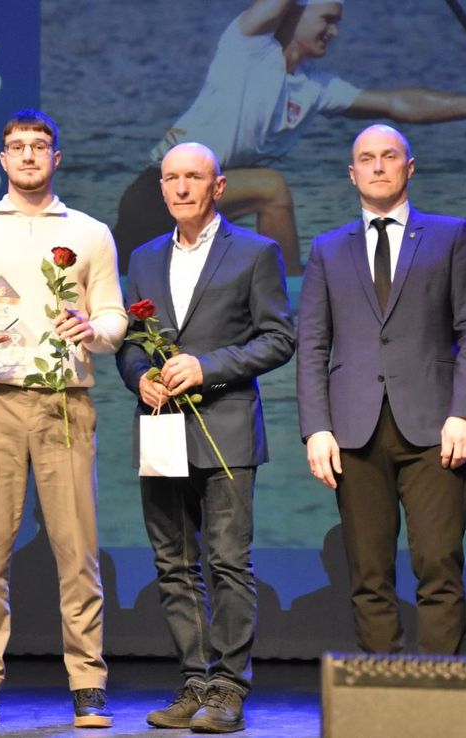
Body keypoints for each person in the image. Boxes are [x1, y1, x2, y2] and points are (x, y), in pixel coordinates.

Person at [0, 109, 127, 729]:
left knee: (78, 550)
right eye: (18, 147)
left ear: (56, 158)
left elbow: (115, 319)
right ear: (3, 160)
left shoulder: (90, 233)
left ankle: (88, 683)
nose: (29, 155)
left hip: (65, 403)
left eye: (40, 146)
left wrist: (94, 329)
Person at [113, 0, 466, 275]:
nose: (334, 31)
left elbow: (398, 104)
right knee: (271, 188)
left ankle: (278, 282)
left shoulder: (316, 87)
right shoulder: (248, 43)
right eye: (327, 19)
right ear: (293, 13)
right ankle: (291, 291)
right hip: (156, 194)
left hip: (207, 201)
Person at [116, 142, 294, 733]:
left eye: (193, 176)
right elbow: (133, 342)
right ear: (161, 188)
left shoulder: (256, 252)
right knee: (174, 562)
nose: (181, 187)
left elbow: (279, 338)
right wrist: (139, 377)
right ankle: (194, 682)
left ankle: (228, 687)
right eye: (171, 177)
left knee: (227, 561)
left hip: (226, 427)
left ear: (218, 186)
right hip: (162, 427)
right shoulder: (144, 257)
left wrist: (206, 366)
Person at [296, 124, 466, 655]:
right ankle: (381, 690)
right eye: (367, 158)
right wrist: (316, 428)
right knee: (368, 572)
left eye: (389, 156)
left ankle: (439, 690)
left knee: (438, 564)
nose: (378, 166)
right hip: (354, 432)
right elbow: (312, 345)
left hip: (435, 427)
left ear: (410, 167)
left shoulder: (450, 235)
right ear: (352, 173)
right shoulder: (328, 249)